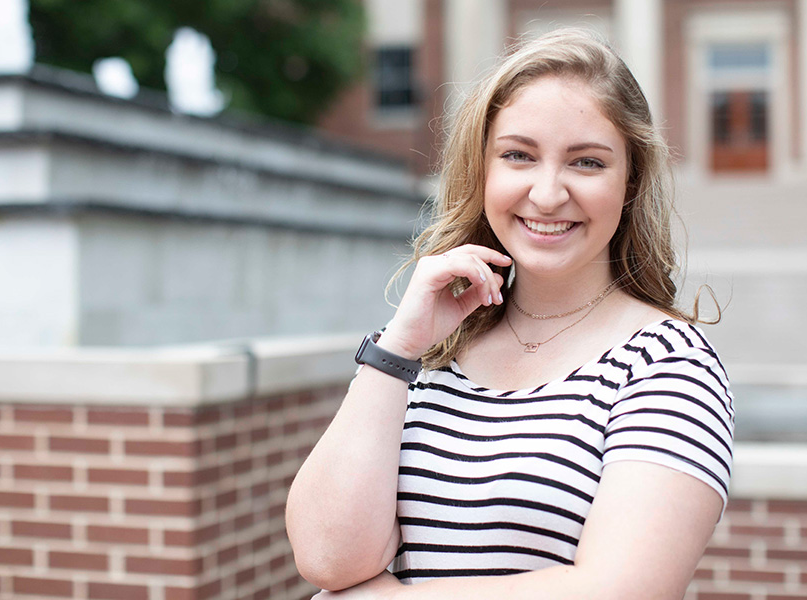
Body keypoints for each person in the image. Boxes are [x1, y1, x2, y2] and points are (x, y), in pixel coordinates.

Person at [286, 27, 734, 600]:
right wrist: (398, 348)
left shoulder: (667, 364)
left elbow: (622, 591)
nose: (547, 194)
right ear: (484, 170)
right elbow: (326, 558)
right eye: (518, 155)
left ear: (630, 182)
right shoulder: (426, 355)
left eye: (587, 162)